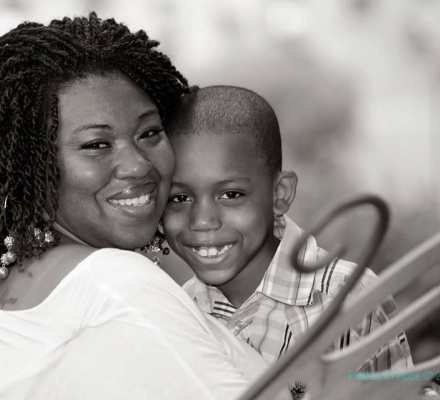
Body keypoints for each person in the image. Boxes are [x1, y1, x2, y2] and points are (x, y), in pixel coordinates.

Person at [0, 15, 268, 400]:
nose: (137, 165)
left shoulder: (16, 280)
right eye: (96, 145)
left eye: (149, 133)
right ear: (30, 165)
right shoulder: (114, 284)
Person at [161, 85, 413, 398]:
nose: (202, 221)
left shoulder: (346, 296)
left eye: (231, 194)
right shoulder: (179, 311)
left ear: (279, 194)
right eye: (179, 198)